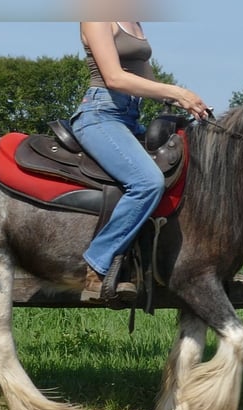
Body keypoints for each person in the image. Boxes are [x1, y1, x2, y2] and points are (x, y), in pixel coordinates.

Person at [70, 21, 209, 303]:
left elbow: (149, 81)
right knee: (147, 181)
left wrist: (187, 104)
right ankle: (97, 265)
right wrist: (177, 92)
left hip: (130, 118)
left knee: (182, 168)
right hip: (100, 115)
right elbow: (114, 78)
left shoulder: (133, 20)